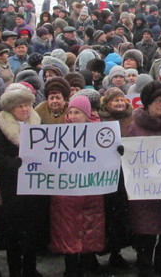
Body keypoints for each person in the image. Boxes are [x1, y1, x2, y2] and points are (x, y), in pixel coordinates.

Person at [0, 83, 48, 277]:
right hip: (12, 190)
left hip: (33, 189)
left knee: (32, 232)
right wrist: (17, 164)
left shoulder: (38, 124)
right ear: (10, 109)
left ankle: (30, 268)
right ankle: (15, 270)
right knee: (14, 235)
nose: (24, 109)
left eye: (26, 105)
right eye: (19, 106)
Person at [125, 81, 161, 277]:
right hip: (146, 189)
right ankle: (145, 265)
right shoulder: (135, 127)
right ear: (147, 103)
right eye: (158, 100)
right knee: (146, 230)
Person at [50, 95, 106, 277]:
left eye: (78, 113)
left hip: (91, 192)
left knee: (90, 228)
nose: (73, 116)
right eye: (71, 112)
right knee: (68, 230)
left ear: (87, 115)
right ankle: (72, 267)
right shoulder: (58, 136)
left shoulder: (99, 134)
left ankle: (88, 263)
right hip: (67, 194)